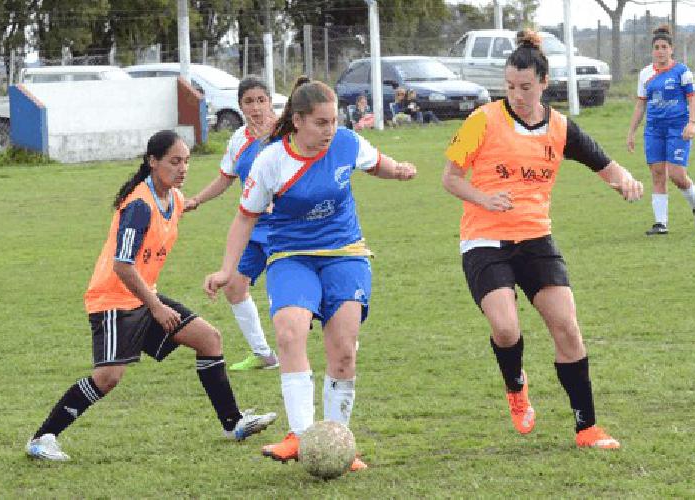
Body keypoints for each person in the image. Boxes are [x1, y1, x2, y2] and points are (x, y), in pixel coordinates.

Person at [440, 30, 643, 450]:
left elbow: (602, 162)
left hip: (535, 237)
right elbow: (450, 179)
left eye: (525, 87)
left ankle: (587, 427)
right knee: (506, 327)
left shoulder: (559, 128)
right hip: (484, 239)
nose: (515, 94)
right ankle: (516, 384)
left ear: (544, 83)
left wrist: (624, 181)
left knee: (567, 328)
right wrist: (484, 198)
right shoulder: (483, 119)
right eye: (510, 86)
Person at [204, 76, 418, 472]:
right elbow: (244, 217)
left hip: (345, 254)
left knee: (343, 352)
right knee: (288, 332)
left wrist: (400, 170)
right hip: (291, 255)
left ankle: (337, 443)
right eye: (321, 122)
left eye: (334, 120)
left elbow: (378, 164)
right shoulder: (271, 160)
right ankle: (301, 436)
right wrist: (226, 269)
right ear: (298, 121)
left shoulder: (346, 143)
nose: (330, 130)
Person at [25, 130, 277, 461]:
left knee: (208, 339)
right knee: (108, 377)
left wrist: (255, 202)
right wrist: (157, 308)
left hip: (143, 297)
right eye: (174, 162)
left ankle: (233, 423)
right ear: (153, 162)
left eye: (186, 161)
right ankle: (42, 437)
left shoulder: (172, 197)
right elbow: (122, 266)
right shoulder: (139, 207)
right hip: (114, 300)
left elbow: (186, 204)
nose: (183, 168)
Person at [184, 77, 281, 372]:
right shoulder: (239, 139)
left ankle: (341, 333)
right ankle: (263, 354)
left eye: (261, 100)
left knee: (292, 289)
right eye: (248, 102)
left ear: (270, 102)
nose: (255, 108)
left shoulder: (287, 134)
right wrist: (196, 200)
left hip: (287, 226)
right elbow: (225, 178)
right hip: (253, 227)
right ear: (240, 106)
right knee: (234, 287)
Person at [625, 24, 695, 235]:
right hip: (654, 130)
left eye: (664, 47)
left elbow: (693, 100)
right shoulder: (645, 74)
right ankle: (661, 223)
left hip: (678, 129)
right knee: (658, 174)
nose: (660, 51)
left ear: (671, 49)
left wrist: (692, 123)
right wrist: (632, 132)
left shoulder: (682, 72)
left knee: (678, 175)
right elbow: (641, 105)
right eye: (657, 47)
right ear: (652, 50)